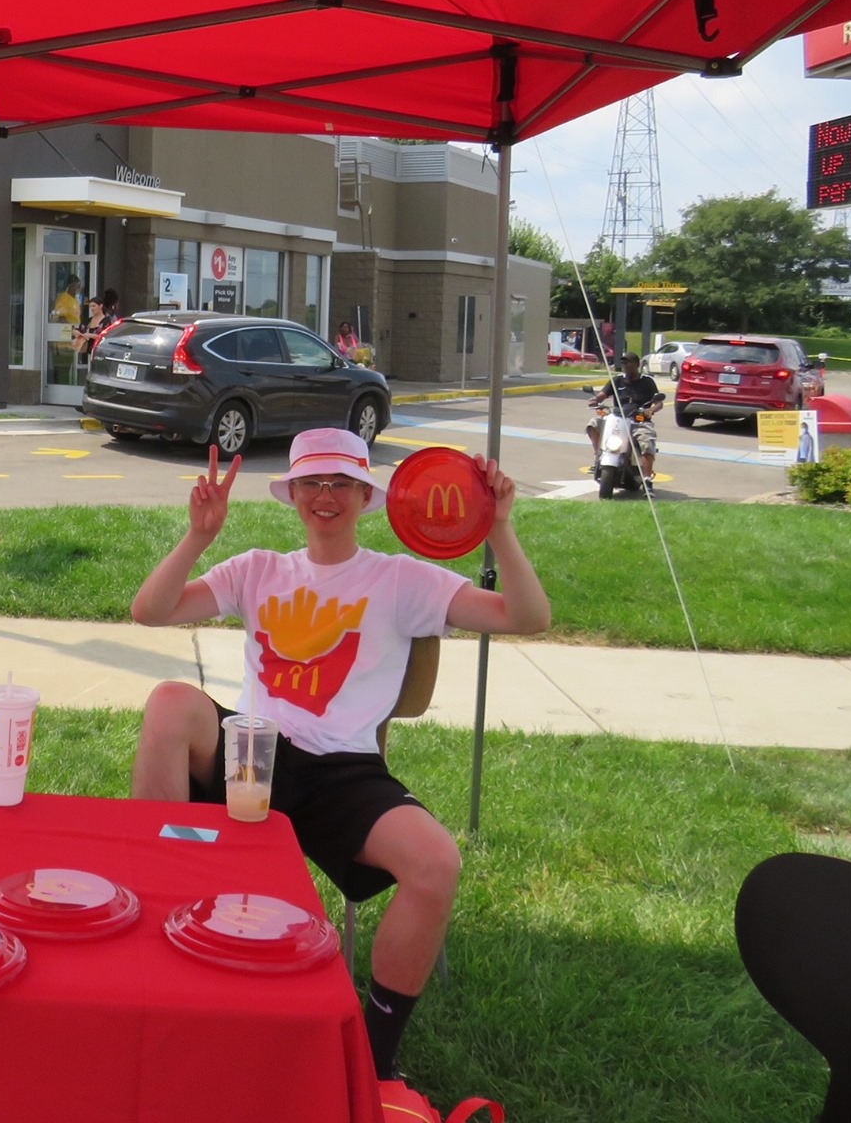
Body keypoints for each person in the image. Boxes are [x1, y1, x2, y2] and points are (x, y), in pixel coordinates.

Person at [129, 428, 551, 1100]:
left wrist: (499, 528)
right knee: (170, 702)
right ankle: (158, 918)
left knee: (436, 863)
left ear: (365, 495)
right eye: (312, 483)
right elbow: (149, 611)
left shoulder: (400, 579)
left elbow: (527, 617)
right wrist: (198, 537)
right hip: (254, 758)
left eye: (341, 484)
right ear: (293, 492)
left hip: (344, 771)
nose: (326, 496)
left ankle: (374, 1057)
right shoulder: (258, 569)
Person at [586, 352, 663, 483]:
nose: (625, 365)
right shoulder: (617, 380)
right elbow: (602, 395)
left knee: (646, 442)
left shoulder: (647, 381)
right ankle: (598, 456)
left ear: (637, 365)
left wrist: (651, 410)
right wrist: (595, 400)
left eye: (628, 362)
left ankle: (647, 479)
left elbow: (659, 403)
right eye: (623, 363)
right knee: (593, 424)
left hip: (639, 421)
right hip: (618, 419)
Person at [74, 287, 123, 354]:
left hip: (101, 352)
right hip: (87, 352)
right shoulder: (88, 321)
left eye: (94, 306)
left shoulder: (107, 321)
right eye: (90, 306)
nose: (92, 308)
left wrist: (90, 335)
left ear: (100, 306)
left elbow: (107, 337)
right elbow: (78, 329)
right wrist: (76, 332)